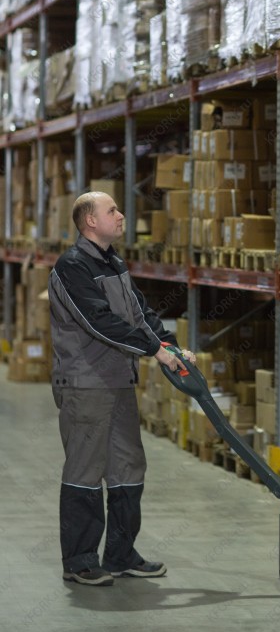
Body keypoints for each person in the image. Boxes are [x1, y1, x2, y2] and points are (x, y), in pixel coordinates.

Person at [48, 190, 196, 587]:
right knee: (85, 470)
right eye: (111, 210)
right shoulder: (72, 266)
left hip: (118, 380)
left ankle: (119, 554)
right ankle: (79, 561)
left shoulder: (113, 262)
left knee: (128, 466)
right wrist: (153, 351)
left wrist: (169, 346)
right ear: (90, 221)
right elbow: (98, 322)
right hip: (85, 384)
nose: (121, 215)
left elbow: (139, 314)